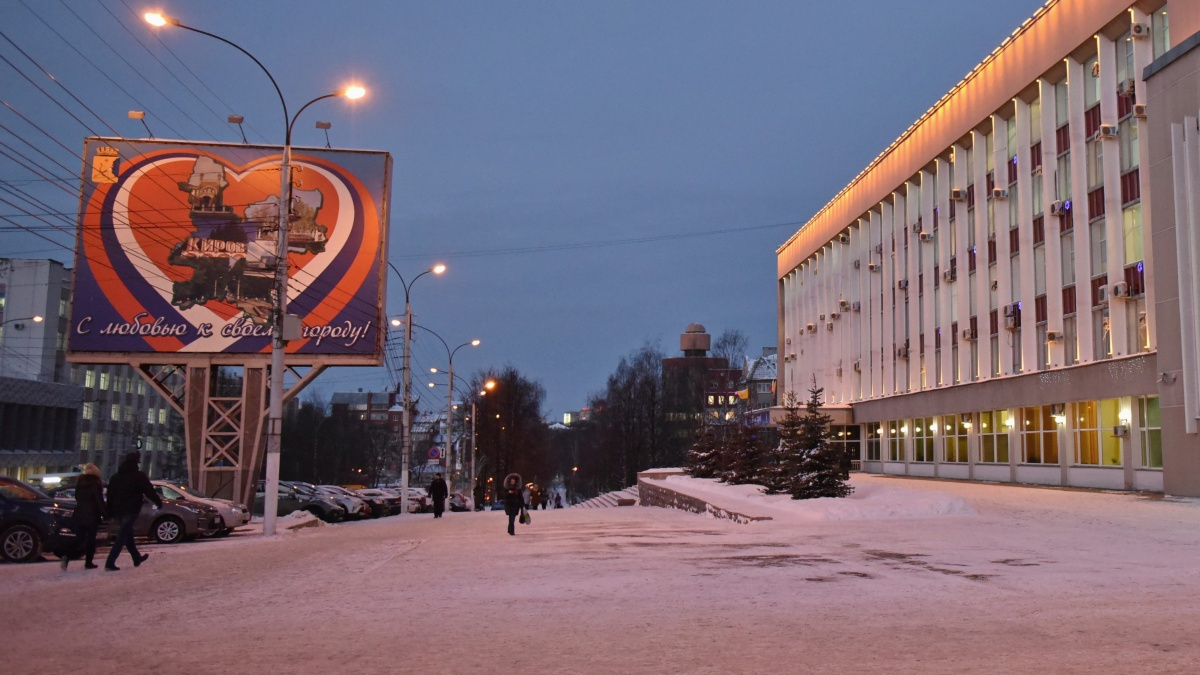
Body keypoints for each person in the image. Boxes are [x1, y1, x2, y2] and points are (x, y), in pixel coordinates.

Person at [104, 451, 162, 571]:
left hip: (117, 510)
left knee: (127, 533)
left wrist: (109, 510)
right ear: (136, 462)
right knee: (122, 535)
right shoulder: (138, 476)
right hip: (131, 509)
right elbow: (149, 490)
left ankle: (136, 558)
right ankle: (110, 562)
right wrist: (158, 501)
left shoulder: (115, 477)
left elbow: (110, 495)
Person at [60, 464, 106, 571]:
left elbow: (77, 497)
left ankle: (67, 555)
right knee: (90, 540)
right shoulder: (96, 484)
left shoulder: (80, 483)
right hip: (92, 515)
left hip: (79, 513)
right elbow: (99, 501)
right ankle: (88, 562)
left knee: (79, 538)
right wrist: (105, 514)